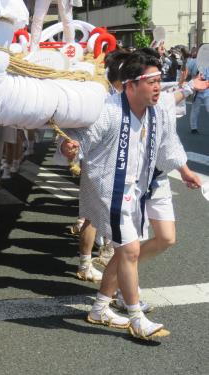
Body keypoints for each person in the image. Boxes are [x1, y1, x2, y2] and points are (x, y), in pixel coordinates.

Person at [60, 51, 201, 340]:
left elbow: (168, 143)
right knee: (130, 249)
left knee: (148, 243)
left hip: (140, 187)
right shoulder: (109, 110)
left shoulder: (157, 110)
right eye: (152, 82)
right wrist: (71, 148)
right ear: (131, 85)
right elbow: (83, 140)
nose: (158, 87)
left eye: (160, 81)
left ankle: (101, 306)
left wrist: (184, 171)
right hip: (109, 187)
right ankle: (136, 317)